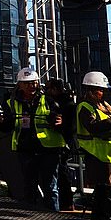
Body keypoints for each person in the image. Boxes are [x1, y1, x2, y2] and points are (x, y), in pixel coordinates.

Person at [0, 67, 65, 210]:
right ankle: (32, 216)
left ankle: (53, 217)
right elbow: (8, 127)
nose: (31, 86)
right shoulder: (11, 102)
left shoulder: (48, 100)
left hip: (48, 149)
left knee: (50, 186)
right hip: (26, 148)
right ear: (19, 84)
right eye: (27, 83)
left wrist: (59, 123)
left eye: (33, 83)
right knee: (29, 185)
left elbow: (63, 122)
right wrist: (1, 122)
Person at [75, 71, 111, 220]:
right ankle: (105, 217)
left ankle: (102, 217)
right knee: (106, 189)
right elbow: (93, 127)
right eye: (100, 90)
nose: (103, 93)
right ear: (90, 90)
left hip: (109, 153)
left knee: (105, 189)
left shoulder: (104, 106)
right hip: (97, 153)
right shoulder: (85, 107)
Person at [44, 76, 78, 210]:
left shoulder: (65, 104)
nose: (45, 91)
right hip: (61, 142)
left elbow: (69, 127)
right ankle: (66, 202)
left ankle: (66, 202)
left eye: (48, 88)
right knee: (60, 173)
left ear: (55, 89)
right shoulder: (65, 102)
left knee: (61, 173)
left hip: (62, 142)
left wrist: (57, 126)